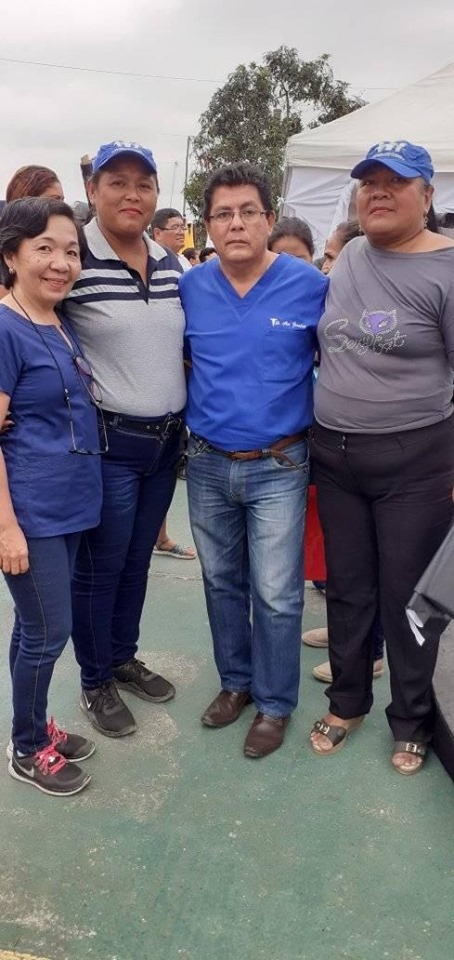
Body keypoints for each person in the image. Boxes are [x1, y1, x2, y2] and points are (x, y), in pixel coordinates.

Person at [309, 140, 454, 775]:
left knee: (411, 599)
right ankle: (346, 702)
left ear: (427, 195)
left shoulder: (447, 269)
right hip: (335, 454)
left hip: (416, 461)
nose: (379, 193)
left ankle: (412, 718)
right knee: (347, 588)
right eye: (369, 183)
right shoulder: (352, 256)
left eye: (396, 183)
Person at [180, 162, 328, 759]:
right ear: (208, 225)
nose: (236, 223)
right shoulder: (191, 287)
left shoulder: (309, 285)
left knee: (276, 592)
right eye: (223, 213)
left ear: (269, 218)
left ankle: (274, 703)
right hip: (207, 461)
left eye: (248, 211)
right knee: (221, 582)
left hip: (280, 465)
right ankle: (236, 683)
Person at [64, 140, 187, 738]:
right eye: (117, 182)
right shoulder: (73, 258)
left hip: (166, 446)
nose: (132, 194)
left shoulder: (170, 261)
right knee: (100, 567)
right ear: (93, 191)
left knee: (137, 562)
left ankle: (121, 657)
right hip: (109, 444)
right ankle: (94, 681)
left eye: (144, 183)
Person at [0, 197, 103, 796]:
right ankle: (27, 747)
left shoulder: (58, 322)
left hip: (69, 506)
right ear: (11, 255)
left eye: (70, 251)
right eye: (45, 248)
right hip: (30, 513)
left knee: (32, 627)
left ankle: (34, 723)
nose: (62, 263)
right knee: (48, 632)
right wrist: (6, 528)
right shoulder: (5, 328)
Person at [301, 219, 386, 684]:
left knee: (372, 560)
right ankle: (345, 635)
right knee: (345, 557)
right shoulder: (336, 301)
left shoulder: (379, 308)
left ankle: (372, 651)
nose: (325, 266)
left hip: (382, 453)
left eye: (331, 256)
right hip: (335, 448)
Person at [150, 207, 196, 560]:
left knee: (164, 469)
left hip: (175, 394)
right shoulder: (151, 264)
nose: (181, 232)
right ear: (156, 232)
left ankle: (161, 535)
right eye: (174, 227)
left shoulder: (183, 268)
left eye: (183, 226)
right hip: (143, 395)